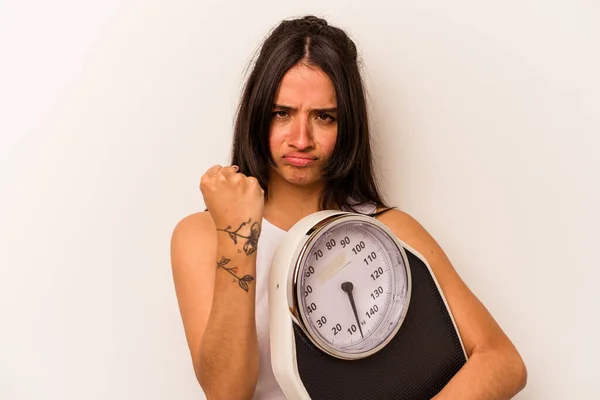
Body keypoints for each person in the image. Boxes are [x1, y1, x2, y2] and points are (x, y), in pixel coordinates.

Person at [170, 15, 527, 400]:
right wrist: (237, 233)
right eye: (282, 113)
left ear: (348, 125)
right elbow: (226, 393)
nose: (301, 139)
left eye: (324, 117)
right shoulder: (201, 237)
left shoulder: (393, 232)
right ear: (257, 116)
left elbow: (502, 360)